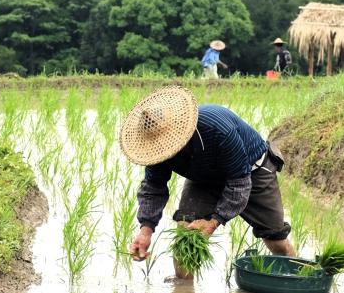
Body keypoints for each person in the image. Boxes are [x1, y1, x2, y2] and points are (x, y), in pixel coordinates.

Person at [121, 86, 296, 279]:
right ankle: (183, 291)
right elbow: (154, 187)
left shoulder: (218, 130)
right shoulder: (157, 149)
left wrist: (213, 222)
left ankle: (297, 277)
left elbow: (239, 183)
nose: (166, 149)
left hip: (251, 170)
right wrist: (145, 230)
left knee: (275, 239)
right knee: (186, 231)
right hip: (204, 176)